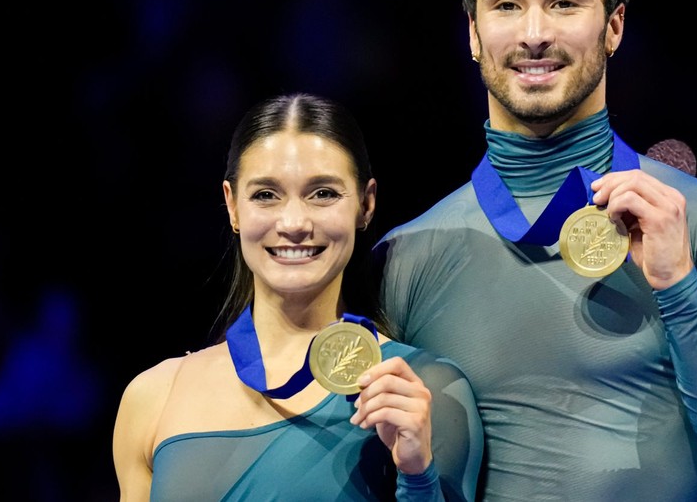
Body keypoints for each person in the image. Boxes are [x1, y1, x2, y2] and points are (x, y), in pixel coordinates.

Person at [372, 0, 697, 501]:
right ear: (473, 33)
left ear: (614, 26)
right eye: (506, 3)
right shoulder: (406, 256)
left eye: (564, 2)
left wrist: (680, 287)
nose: (534, 33)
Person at [113, 93, 483, 501]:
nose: (293, 223)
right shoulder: (152, 397)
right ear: (232, 206)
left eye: (322, 193)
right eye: (266, 195)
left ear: (366, 204)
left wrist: (417, 475)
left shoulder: (420, 392)